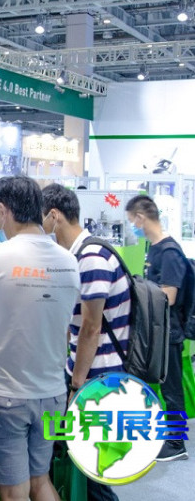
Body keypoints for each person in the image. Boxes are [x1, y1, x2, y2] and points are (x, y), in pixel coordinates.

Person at [0, 176, 80, 501]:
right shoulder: (69, 261)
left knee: (13, 492)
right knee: (40, 481)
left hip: (5, 393)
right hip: (52, 393)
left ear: (3, 210)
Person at [42, 184, 130, 501]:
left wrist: (76, 384)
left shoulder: (92, 258)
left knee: (92, 469)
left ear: (54, 216)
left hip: (99, 378)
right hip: (91, 373)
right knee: (82, 463)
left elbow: (91, 328)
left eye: (41, 219)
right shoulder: (79, 255)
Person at [126, 194, 189, 462]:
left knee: (172, 389)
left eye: (132, 221)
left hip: (169, 333)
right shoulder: (153, 248)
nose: (133, 227)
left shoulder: (170, 252)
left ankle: (177, 442)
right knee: (156, 386)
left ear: (141, 218)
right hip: (156, 331)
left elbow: (169, 296)